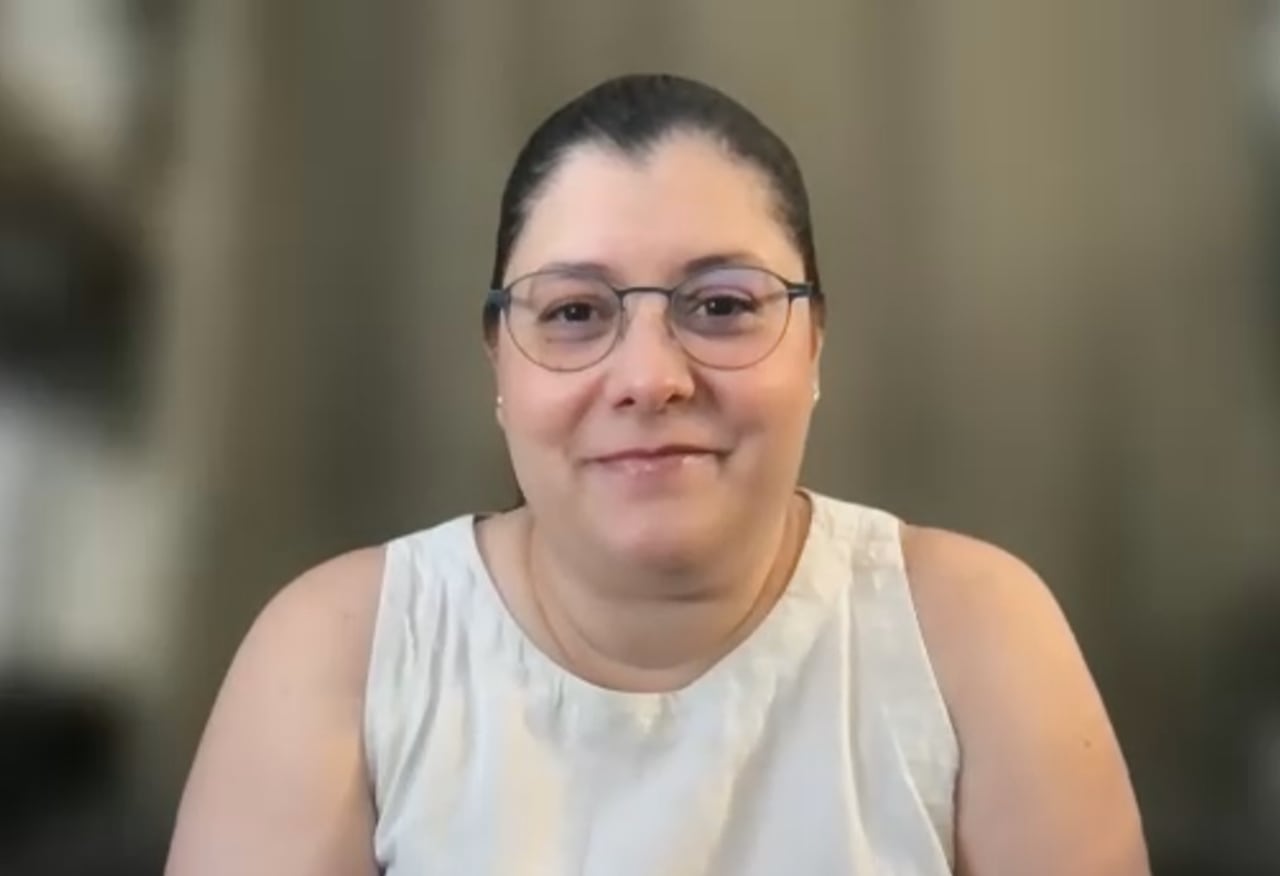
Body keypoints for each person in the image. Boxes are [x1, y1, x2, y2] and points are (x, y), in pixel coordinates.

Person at [165, 74, 1150, 875]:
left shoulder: (974, 635)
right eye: (574, 313)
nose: (647, 378)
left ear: (813, 347)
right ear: (497, 367)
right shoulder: (343, 651)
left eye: (720, 306)